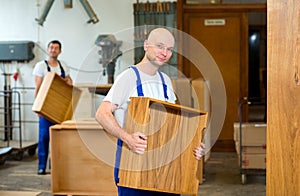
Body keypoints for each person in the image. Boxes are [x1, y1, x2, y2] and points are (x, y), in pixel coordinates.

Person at [95, 28, 205, 196]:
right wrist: (128, 138)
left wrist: (192, 145)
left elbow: (173, 123)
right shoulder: (128, 77)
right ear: (146, 45)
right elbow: (102, 114)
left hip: (166, 168)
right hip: (133, 165)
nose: (165, 53)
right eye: (160, 46)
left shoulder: (166, 81)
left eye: (169, 49)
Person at [32, 40, 72, 175]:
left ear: (60, 51)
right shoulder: (40, 66)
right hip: (45, 108)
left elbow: (69, 83)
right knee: (44, 137)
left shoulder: (63, 66)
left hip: (60, 109)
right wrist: (38, 107)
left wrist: (68, 82)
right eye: (51, 47)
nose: (53, 50)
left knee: (59, 138)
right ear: (48, 50)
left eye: (56, 48)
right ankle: (42, 166)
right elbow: (38, 87)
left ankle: (56, 166)